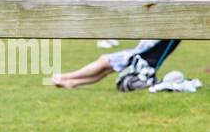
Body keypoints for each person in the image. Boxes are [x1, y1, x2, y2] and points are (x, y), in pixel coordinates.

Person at [51, 39, 181, 89]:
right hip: (141, 56)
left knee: (104, 61)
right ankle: (72, 82)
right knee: (107, 69)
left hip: (138, 56)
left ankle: (67, 77)